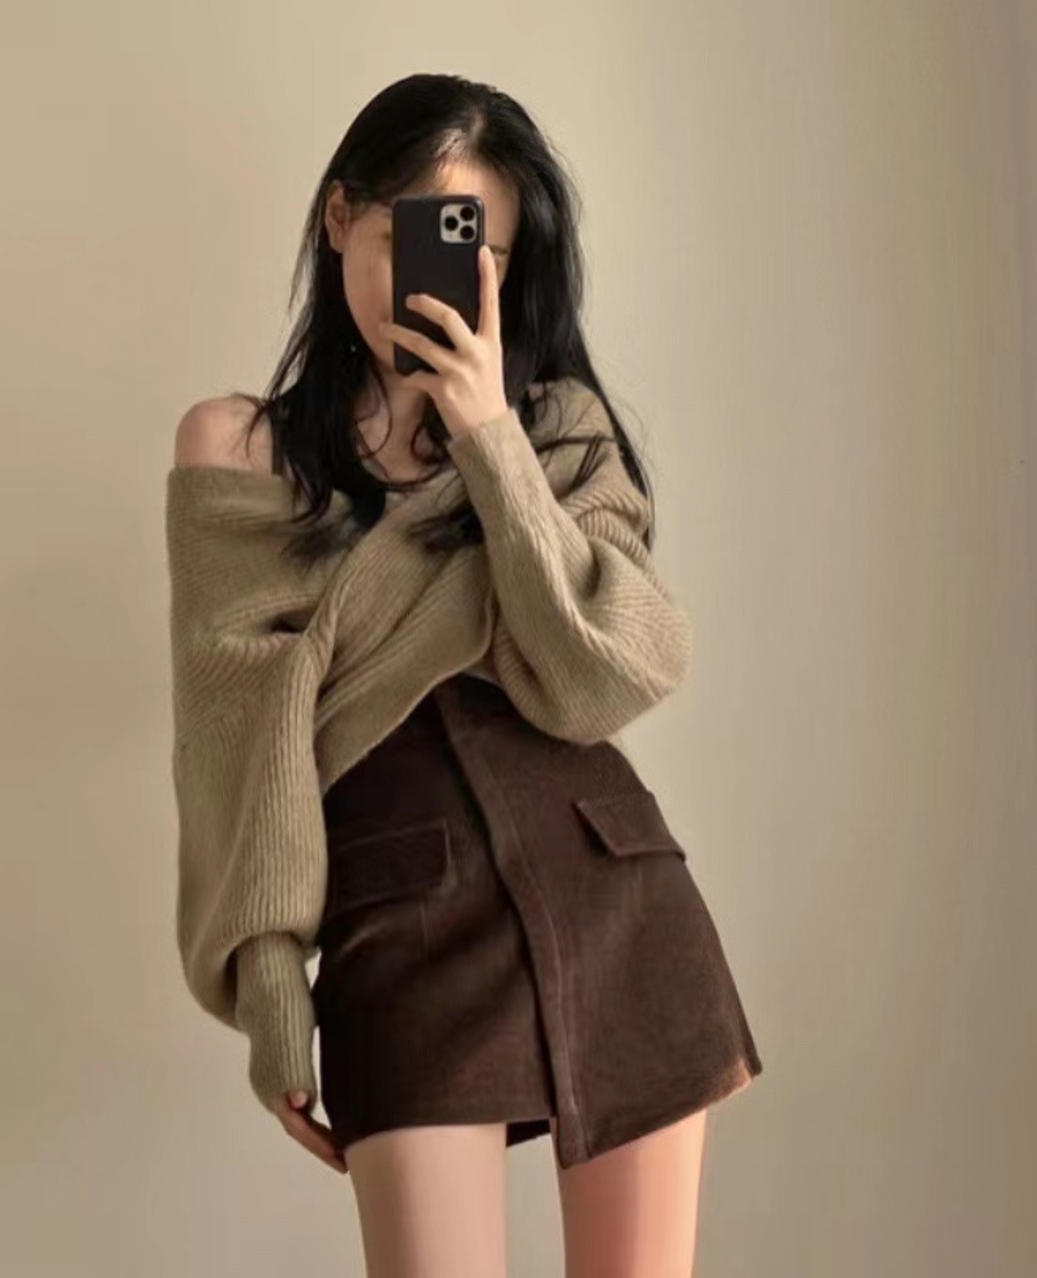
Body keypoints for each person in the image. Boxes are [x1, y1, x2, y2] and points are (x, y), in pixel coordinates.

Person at [167, 71, 762, 1278]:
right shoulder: (237, 449)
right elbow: (233, 740)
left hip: (613, 893)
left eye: (472, 245)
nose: (437, 274)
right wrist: (272, 989)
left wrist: (490, 439)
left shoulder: (558, 433)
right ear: (340, 217)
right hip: (400, 924)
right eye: (410, 235)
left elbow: (595, 678)